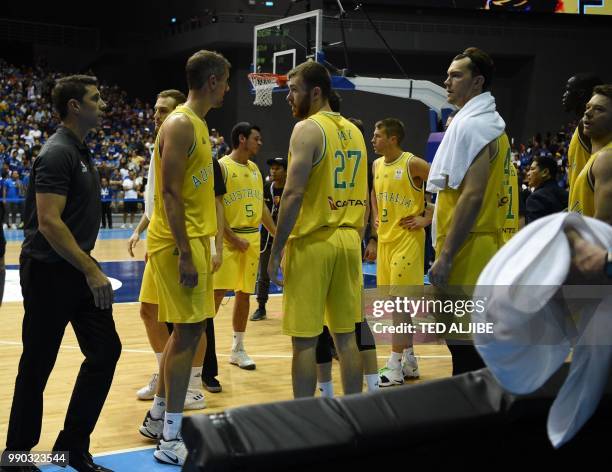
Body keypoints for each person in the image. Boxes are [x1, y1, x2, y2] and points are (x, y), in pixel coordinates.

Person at [2, 75, 121, 472]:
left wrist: (86, 267)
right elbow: (50, 223)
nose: (103, 104)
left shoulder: (81, 151)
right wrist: (91, 269)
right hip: (50, 272)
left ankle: (71, 448)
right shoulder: (57, 152)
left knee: (106, 351)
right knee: (38, 364)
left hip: (77, 268)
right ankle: (15, 457)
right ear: (74, 106)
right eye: (95, 97)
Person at [139, 50, 230, 466]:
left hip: (190, 240)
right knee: (187, 335)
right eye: (226, 80)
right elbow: (171, 194)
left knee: (184, 336)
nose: (228, 87)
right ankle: (170, 439)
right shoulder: (180, 124)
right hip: (179, 243)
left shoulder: (196, 124)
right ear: (212, 80)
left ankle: (157, 418)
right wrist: (185, 254)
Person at [268, 61, 367, 398]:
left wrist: (276, 249)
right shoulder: (355, 131)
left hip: (313, 243)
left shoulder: (307, 129)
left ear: (315, 92)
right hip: (348, 240)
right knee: (346, 338)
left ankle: (304, 422)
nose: (288, 96)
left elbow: (293, 193)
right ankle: (355, 413)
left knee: (305, 343)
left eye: (293, 89)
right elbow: (364, 195)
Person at [127, 89, 224, 405]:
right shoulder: (159, 148)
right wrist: (142, 231)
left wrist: (214, 246)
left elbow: (210, 203)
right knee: (148, 311)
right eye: (155, 110)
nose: (157, 116)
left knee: (193, 323)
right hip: (162, 237)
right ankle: (163, 373)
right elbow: (156, 200)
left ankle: (193, 384)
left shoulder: (192, 142)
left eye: (164, 110)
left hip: (185, 239)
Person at [427, 47, 509, 375]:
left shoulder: (474, 126)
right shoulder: (489, 123)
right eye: (447, 74)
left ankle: (477, 418)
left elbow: (473, 196)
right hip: (476, 243)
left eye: (455, 75)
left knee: (466, 349)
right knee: (469, 345)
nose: (446, 81)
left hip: (468, 249)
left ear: (477, 83)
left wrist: (446, 255)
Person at [364, 118, 432, 387]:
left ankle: (394, 366)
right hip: (385, 241)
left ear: (393, 139)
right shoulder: (377, 164)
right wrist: (375, 221)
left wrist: (427, 217)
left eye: (377, 135)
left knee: (399, 307)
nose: (373, 139)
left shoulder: (412, 163)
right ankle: (410, 359)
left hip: (408, 241)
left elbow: (444, 186)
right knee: (396, 305)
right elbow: (373, 192)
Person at [207, 122, 276, 376]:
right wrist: (233, 239)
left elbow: (261, 209)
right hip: (226, 242)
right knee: (215, 296)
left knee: (245, 294)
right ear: (242, 139)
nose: (260, 143)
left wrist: (277, 235)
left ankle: (237, 348)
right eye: (256, 138)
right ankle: (202, 348)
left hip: (251, 241)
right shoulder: (222, 167)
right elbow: (215, 210)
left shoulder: (256, 170)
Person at [569, 84, 612, 224]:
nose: (587, 113)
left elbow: (604, 222)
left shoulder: (607, 158)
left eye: (599, 109)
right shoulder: (597, 157)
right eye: (588, 107)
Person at [250, 156, 287, 322]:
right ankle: (261, 307)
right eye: (272, 168)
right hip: (267, 237)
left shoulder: (292, 189)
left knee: (290, 273)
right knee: (263, 274)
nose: (273, 171)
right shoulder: (266, 188)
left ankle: (291, 306)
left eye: (278, 168)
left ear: (286, 171)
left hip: (288, 237)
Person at [562, 73, 603, 192]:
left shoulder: (590, 127)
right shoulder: (581, 126)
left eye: (568, 90)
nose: (564, 95)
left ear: (580, 94)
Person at [525, 155, 568, 224]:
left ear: (545, 172)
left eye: (532, 169)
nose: (528, 173)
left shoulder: (535, 198)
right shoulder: (567, 194)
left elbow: (537, 232)